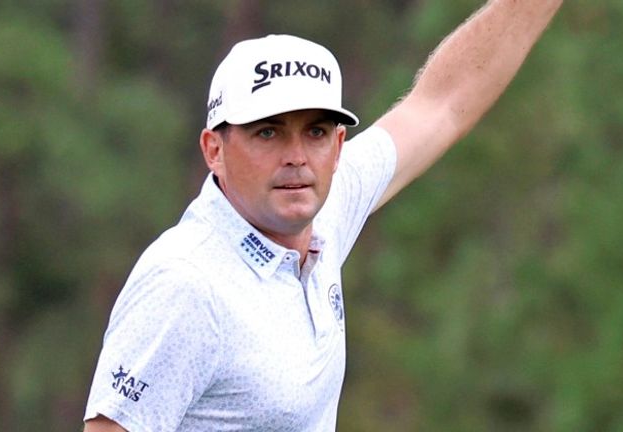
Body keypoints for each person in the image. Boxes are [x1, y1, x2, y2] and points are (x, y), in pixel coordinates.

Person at [83, 1, 564, 430]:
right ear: (215, 150)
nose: (296, 156)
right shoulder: (185, 287)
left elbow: (441, 105)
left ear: (337, 147)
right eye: (267, 133)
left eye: (314, 132)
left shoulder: (321, 207)